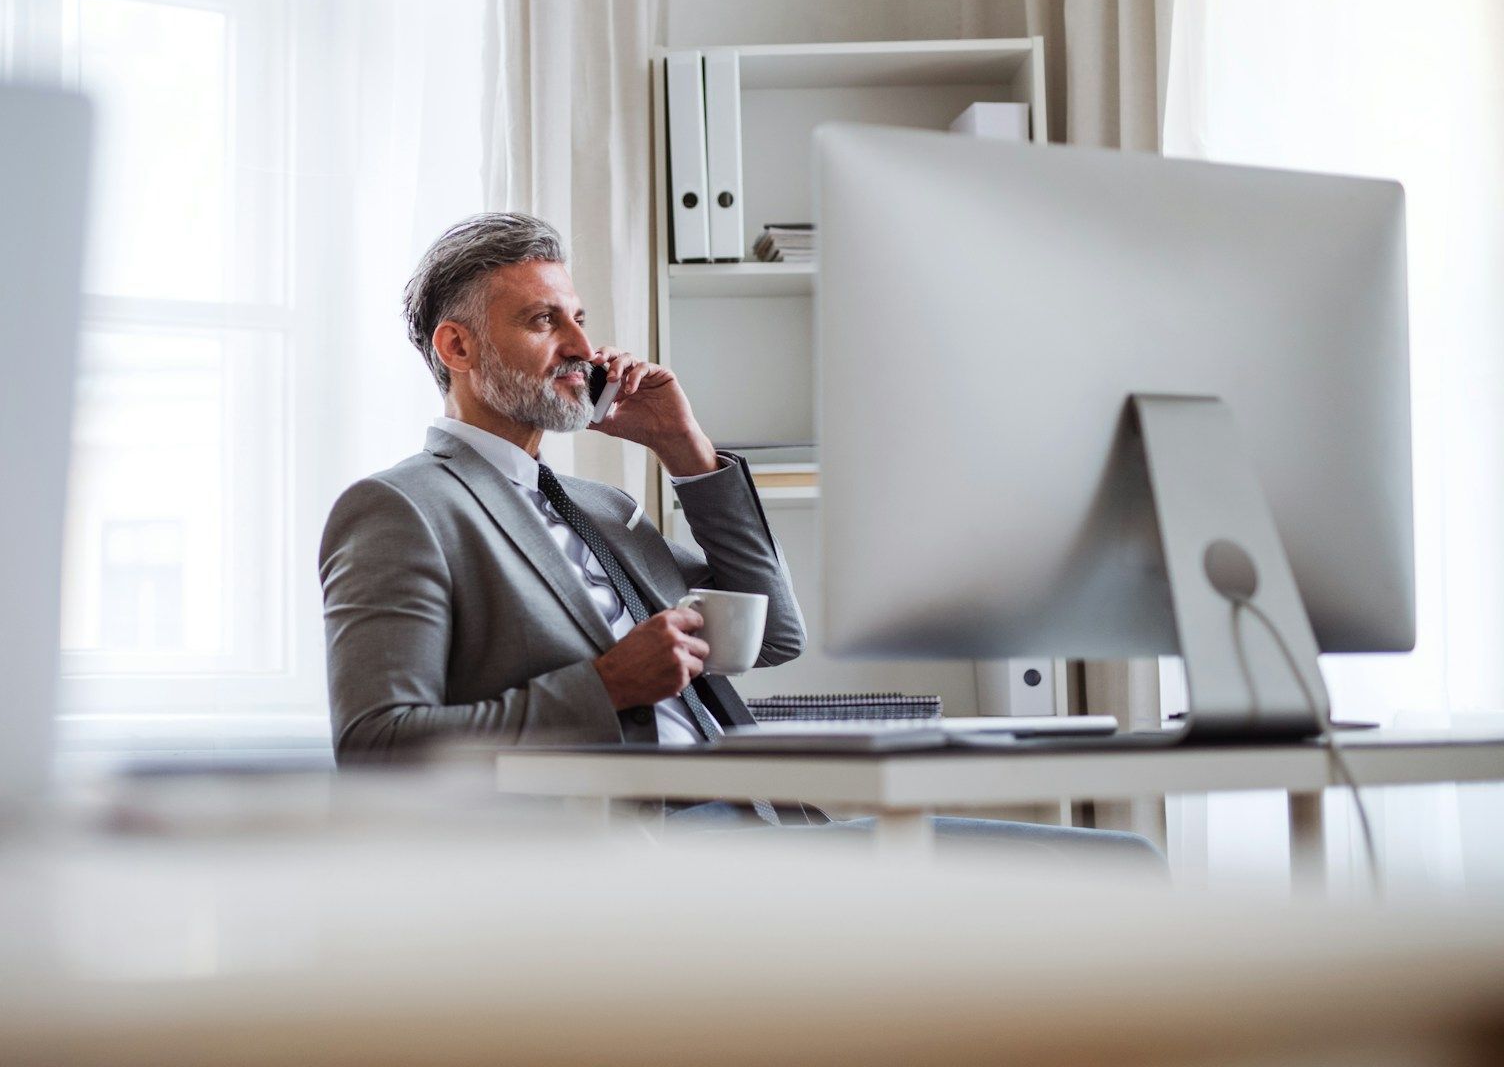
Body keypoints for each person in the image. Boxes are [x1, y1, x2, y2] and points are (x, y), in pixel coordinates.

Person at [319, 213, 1161, 864]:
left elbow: (773, 634)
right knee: (1101, 878)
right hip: (625, 860)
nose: (582, 348)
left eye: (579, 318)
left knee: (1113, 869)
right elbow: (378, 747)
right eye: (544, 322)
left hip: (758, 828)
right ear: (457, 346)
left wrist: (691, 456)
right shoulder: (402, 509)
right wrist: (603, 687)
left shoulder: (600, 508)